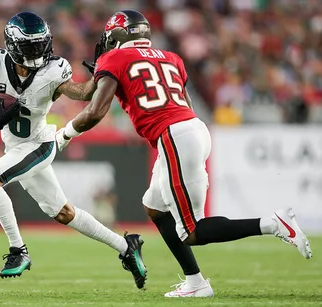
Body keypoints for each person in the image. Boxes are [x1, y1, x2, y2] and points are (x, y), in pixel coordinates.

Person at [56, 9, 313, 298]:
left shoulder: (113, 58)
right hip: (191, 129)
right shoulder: (171, 57)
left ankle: (274, 224)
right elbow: (184, 102)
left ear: (116, 36)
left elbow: (94, 111)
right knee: (155, 207)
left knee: (192, 231)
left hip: (175, 136)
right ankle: (195, 282)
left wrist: (64, 135)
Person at [0, 12, 147, 289]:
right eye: (30, 46)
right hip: (16, 147)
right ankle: (126, 246)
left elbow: (82, 93)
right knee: (64, 213)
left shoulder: (53, 71)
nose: (38, 51)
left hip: (40, 144)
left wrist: (100, 71)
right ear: (13, 46)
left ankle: (17, 251)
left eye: (41, 44)